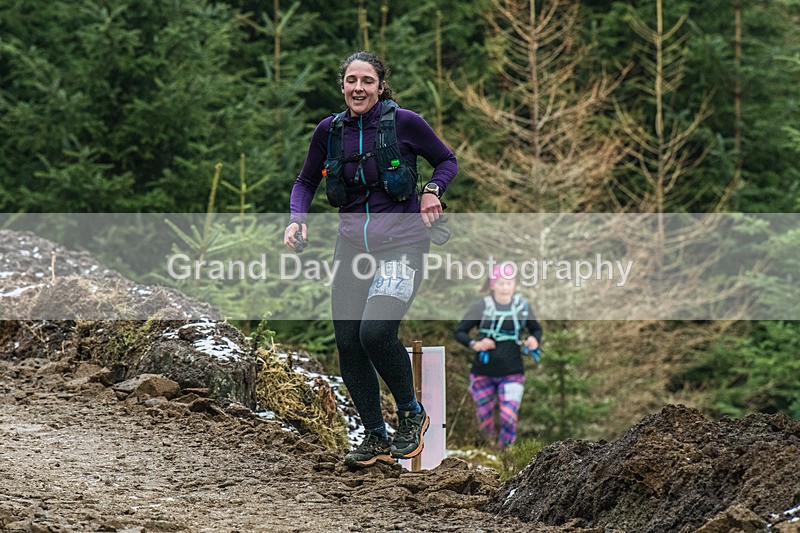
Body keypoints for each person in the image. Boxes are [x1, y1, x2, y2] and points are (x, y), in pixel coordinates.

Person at [284, 51, 458, 467]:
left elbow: (447, 160)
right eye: (350, 80)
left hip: (403, 246)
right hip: (351, 249)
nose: (358, 88)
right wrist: (296, 220)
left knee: (375, 332)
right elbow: (306, 181)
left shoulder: (405, 124)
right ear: (342, 85)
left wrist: (433, 189)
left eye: (366, 81)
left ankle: (412, 415)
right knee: (348, 341)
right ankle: (375, 437)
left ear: (381, 86)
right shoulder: (329, 130)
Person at [454, 262, 542, 450]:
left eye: (509, 283)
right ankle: (488, 456)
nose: (505, 287)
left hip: (513, 372)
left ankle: (507, 456)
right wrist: (476, 344)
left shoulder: (522, 307)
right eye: (501, 283)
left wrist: (534, 340)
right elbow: (460, 332)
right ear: (493, 285)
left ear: (514, 284)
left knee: (508, 418)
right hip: (482, 373)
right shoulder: (481, 306)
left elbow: (536, 329)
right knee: (484, 422)